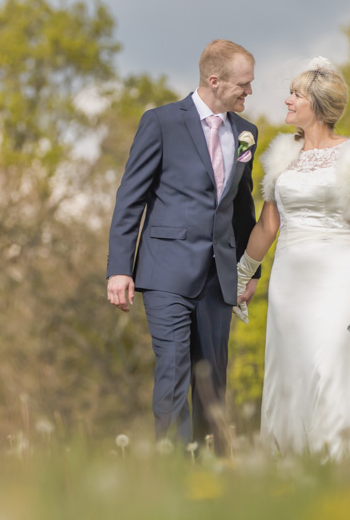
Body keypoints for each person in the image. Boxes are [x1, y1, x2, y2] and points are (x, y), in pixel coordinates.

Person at [235, 57, 350, 460]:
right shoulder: (281, 156)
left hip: (339, 276)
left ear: (317, 104)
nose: (288, 101)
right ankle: (287, 472)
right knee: (287, 372)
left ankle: (337, 473)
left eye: (296, 95)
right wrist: (241, 276)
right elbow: (267, 227)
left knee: (330, 370)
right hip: (289, 279)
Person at [106, 39, 261, 448]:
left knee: (212, 381)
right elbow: (130, 197)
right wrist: (120, 267)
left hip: (219, 279)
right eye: (243, 85)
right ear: (215, 80)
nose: (249, 92)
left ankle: (209, 472)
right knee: (173, 371)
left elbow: (243, 208)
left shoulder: (246, 133)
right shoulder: (161, 122)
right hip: (165, 272)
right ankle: (173, 474)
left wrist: (249, 270)